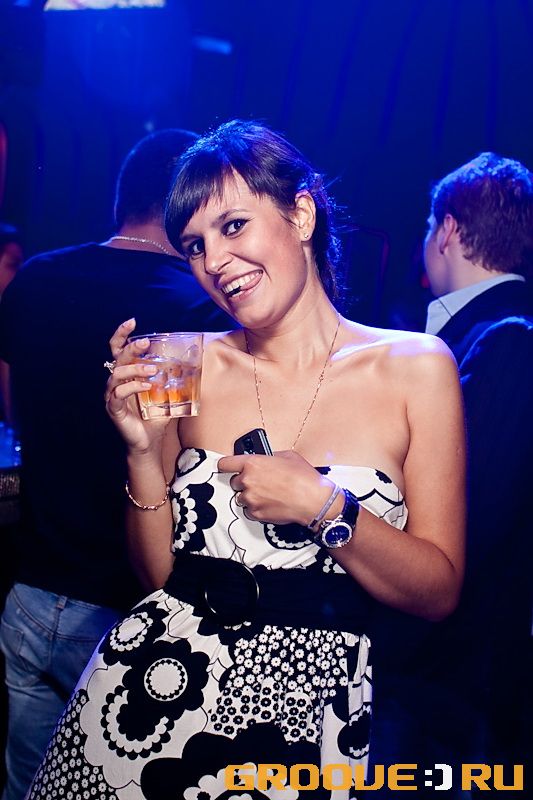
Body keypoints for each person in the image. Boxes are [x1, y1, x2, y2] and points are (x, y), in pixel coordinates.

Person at [27, 120, 465, 800]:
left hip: (306, 718)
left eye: (233, 226)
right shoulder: (185, 361)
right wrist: (141, 454)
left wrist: (324, 507)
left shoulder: (416, 367)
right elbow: (159, 578)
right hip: (148, 696)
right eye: (195, 245)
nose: (215, 261)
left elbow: (438, 592)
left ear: (301, 214)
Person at [0, 129, 232, 800]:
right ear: (185, 207)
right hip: (124, 612)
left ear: (120, 198)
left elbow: (13, 409)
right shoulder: (196, 308)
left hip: (29, 594)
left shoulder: (35, 279)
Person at [371, 152, 533, 797]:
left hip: (447, 683)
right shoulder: (485, 335)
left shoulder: (508, 340)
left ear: (449, 231)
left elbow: (473, 519)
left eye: (427, 226)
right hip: (441, 674)